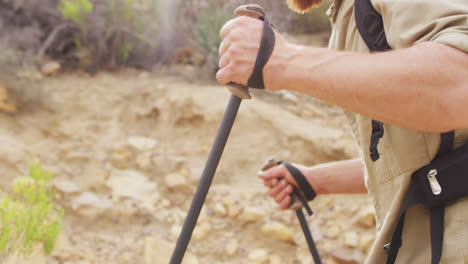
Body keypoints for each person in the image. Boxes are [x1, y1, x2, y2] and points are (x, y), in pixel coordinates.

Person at [216, 0, 468, 263]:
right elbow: (423, 157)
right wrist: (314, 180)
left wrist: (281, 61)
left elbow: (460, 84)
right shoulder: (347, 12)